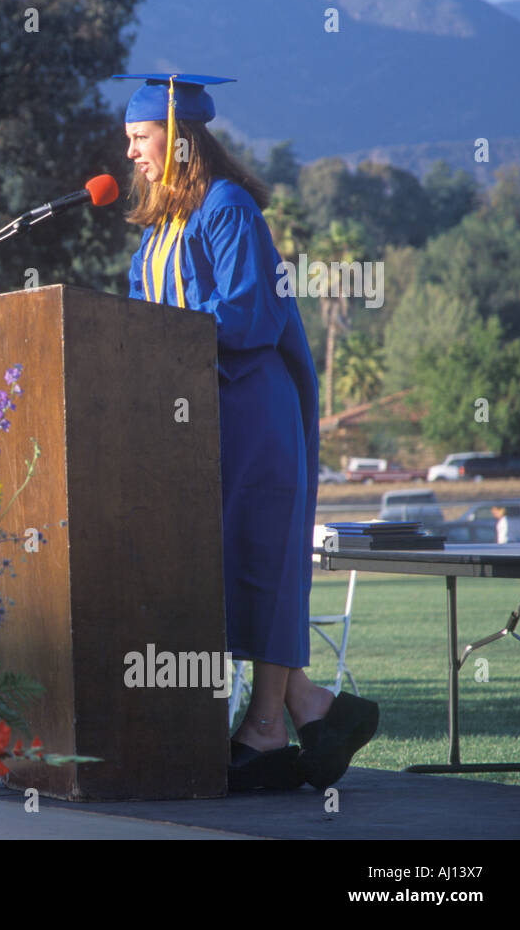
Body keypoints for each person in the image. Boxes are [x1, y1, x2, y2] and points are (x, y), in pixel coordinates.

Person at [116, 72, 378, 791]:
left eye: (140, 139)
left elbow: (250, 319)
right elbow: (141, 322)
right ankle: (307, 711)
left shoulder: (227, 210)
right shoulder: (161, 230)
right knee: (229, 570)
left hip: (252, 416)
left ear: (178, 140)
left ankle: (274, 726)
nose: (132, 154)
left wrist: (166, 336)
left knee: (258, 565)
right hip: (200, 425)